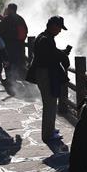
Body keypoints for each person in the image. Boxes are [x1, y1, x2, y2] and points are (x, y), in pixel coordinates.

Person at [28, 15, 69, 143]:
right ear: (53, 26)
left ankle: (50, 129)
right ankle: (48, 134)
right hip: (46, 74)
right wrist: (63, 56)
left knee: (50, 103)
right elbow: (50, 56)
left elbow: (52, 52)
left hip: (45, 73)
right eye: (59, 27)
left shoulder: (44, 37)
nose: (60, 31)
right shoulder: (46, 39)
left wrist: (61, 53)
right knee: (50, 104)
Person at [0, 3, 28, 87]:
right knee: (18, 61)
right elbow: (26, 31)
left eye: (8, 9)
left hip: (8, 45)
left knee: (8, 62)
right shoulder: (20, 18)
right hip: (20, 45)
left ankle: (10, 79)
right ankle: (18, 78)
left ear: (11, 9)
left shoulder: (7, 19)